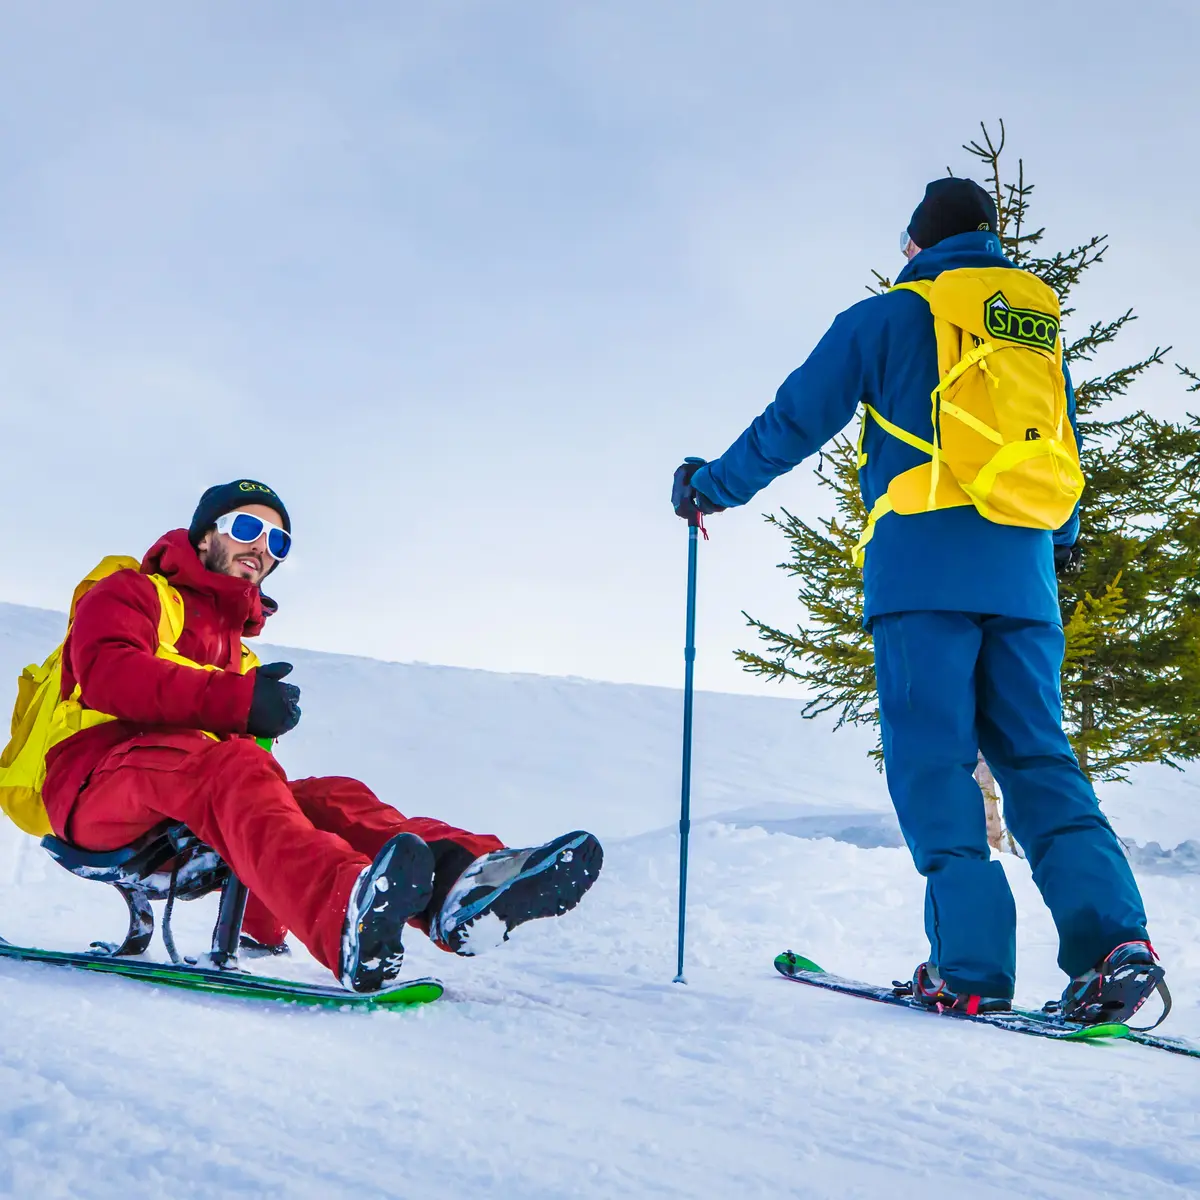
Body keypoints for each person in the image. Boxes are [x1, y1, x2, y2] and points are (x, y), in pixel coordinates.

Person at [672, 178, 1164, 1024]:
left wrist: (708, 489)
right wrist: (1048, 548)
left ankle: (970, 968)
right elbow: (1062, 454)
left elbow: (792, 421)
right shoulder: (1034, 333)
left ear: (914, 245)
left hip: (922, 574)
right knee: (1041, 760)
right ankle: (1116, 946)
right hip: (1024, 576)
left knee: (935, 763)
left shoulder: (889, 317)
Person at [43, 480, 602, 993]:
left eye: (277, 542)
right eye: (245, 528)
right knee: (229, 764)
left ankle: (463, 885)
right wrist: (239, 701)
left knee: (329, 794)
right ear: (207, 533)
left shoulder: (240, 656)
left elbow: (259, 810)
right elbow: (108, 673)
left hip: (179, 813)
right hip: (91, 786)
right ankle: (344, 923)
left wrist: (262, 925)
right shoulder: (132, 591)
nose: (261, 547)